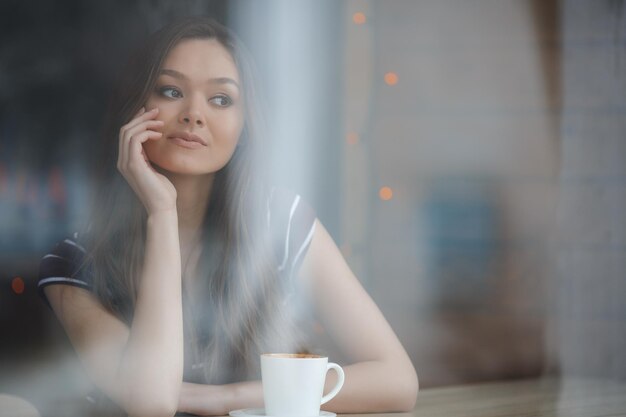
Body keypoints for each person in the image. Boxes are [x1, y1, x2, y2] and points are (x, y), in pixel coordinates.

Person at [38, 16, 418, 417]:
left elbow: (396, 381)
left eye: (221, 99)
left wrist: (225, 399)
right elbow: (152, 404)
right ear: (135, 110)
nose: (194, 114)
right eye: (170, 91)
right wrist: (162, 213)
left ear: (245, 125)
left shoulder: (280, 224)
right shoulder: (73, 264)